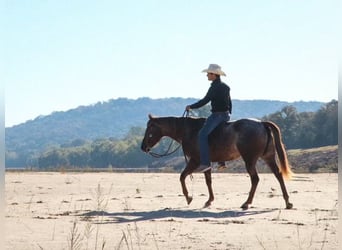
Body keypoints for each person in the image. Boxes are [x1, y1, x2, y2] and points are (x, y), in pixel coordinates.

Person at [186, 64, 232, 172]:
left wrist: (191, 107)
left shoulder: (214, 87)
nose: (207, 75)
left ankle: (205, 163)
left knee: (202, 135)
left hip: (217, 115)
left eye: (208, 73)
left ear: (214, 75)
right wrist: (229, 113)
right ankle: (221, 161)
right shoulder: (226, 87)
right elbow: (229, 102)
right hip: (226, 115)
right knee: (218, 134)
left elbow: (205, 101)